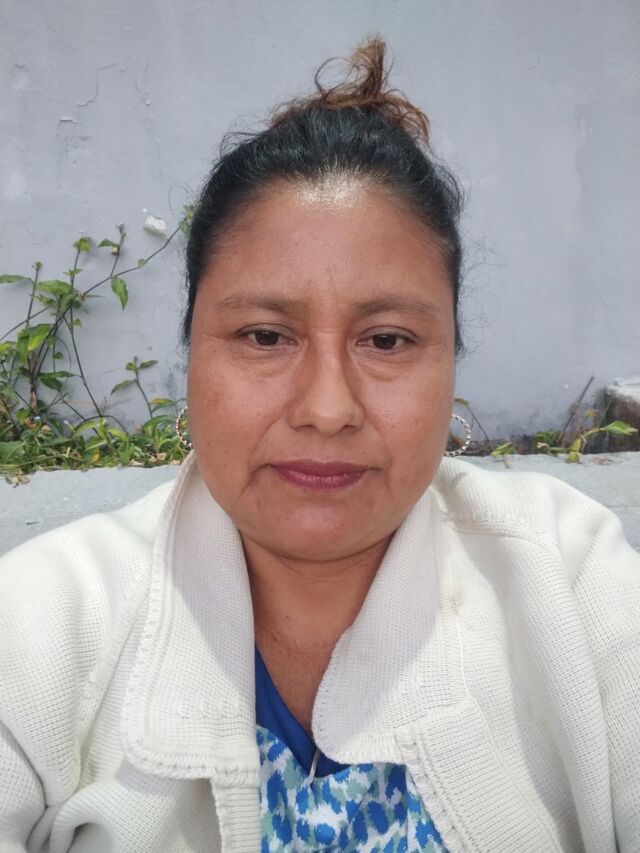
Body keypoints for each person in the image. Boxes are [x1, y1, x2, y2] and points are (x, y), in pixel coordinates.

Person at [1, 36, 638, 853]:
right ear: (192, 353)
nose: (328, 408)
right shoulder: (42, 623)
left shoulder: (575, 584)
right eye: (266, 335)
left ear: (451, 357)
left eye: (388, 340)